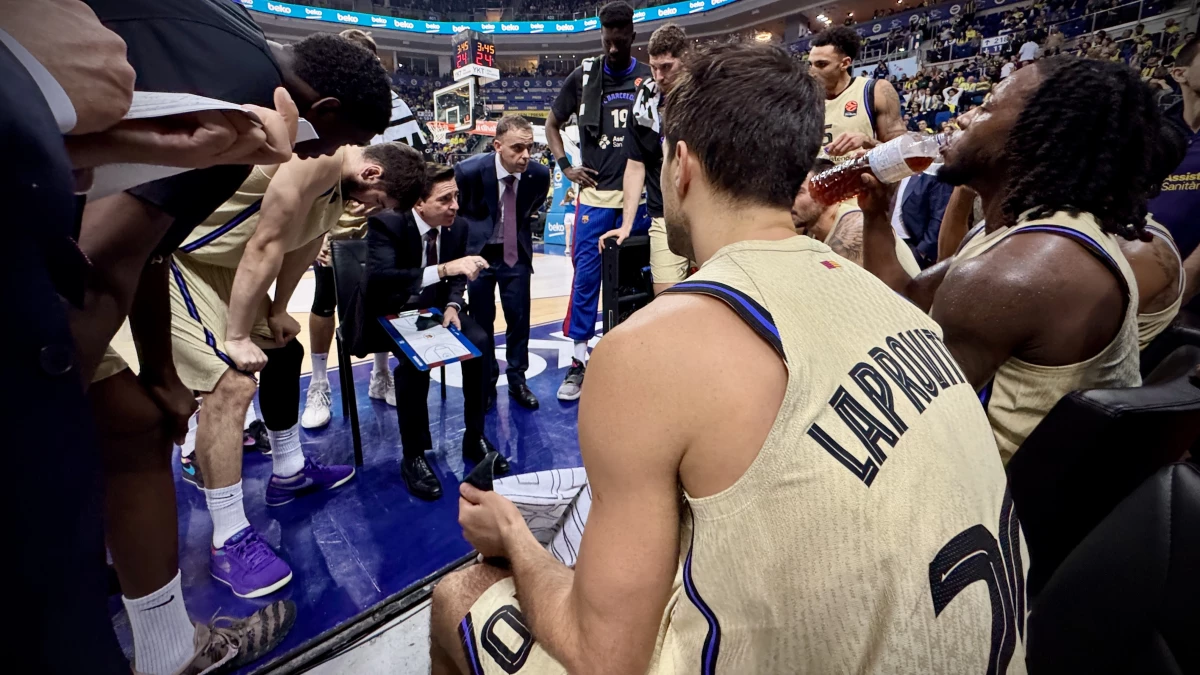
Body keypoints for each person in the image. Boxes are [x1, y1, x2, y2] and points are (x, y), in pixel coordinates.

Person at [429, 42, 1025, 675]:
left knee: (457, 595)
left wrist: (516, 541)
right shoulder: (891, 295)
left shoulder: (645, 352)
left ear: (680, 166)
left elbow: (606, 657)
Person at [857, 57, 1159, 461]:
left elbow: (903, 423)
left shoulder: (1022, 271)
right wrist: (876, 217)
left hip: (993, 501)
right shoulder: (1019, 230)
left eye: (985, 106)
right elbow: (907, 301)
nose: (963, 118)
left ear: (1037, 136)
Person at [160, 142, 425, 599]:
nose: (370, 209)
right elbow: (266, 243)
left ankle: (289, 471)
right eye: (378, 200)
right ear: (373, 173)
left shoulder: (341, 189)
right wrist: (239, 336)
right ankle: (227, 538)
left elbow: (303, 245)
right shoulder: (316, 159)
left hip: (228, 266)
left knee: (285, 349)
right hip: (181, 260)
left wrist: (279, 309)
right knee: (232, 386)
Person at [360, 165, 511, 501]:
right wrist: (443, 269)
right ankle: (414, 455)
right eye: (445, 199)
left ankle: (474, 435)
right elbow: (383, 278)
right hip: (391, 311)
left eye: (456, 196)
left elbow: (457, 279)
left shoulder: (457, 227)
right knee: (415, 365)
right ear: (419, 204)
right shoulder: (386, 223)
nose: (455, 205)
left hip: (435, 311)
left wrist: (455, 305)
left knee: (482, 341)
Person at [302, 28, 429, 428]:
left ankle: (380, 373)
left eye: (373, 63)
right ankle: (318, 383)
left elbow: (415, 165)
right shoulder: (325, 108)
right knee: (325, 300)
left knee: (385, 298)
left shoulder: (390, 109)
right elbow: (301, 184)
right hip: (331, 221)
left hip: (382, 220)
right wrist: (316, 232)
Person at [545, 1, 652, 401]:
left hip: (638, 203)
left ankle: (631, 358)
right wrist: (565, 166)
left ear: (631, 38)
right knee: (586, 279)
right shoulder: (582, 75)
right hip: (593, 198)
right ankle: (578, 362)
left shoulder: (647, 78)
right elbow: (552, 124)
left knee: (635, 282)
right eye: (606, 42)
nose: (611, 49)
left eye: (619, 43)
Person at [456, 116, 551, 410]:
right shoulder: (469, 171)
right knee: (482, 323)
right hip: (480, 255)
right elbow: (460, 213)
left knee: (519, 318)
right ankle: (486, 381)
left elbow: (533, 206)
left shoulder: (539, 174)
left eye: (530, 147)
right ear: (497, 146)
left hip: (515, 253)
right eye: (517, 148)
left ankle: (517, 381)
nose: (526, 155)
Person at [601, 22, 690, 294]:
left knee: (719, 300)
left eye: (667, 67)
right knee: (665, 300)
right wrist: (626, 224)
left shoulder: (710, 96)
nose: (659, 76)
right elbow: (635, 164)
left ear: (686, 59)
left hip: (708, 212)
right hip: (664, 216)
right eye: (653, 67)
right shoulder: (645, 100)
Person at [792, 158, 923, 275]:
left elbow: (848, 293)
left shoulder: (854, 229)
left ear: (827, 194)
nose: (787, 200)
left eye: (798, 192)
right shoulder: (812, 231)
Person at [809, 26, 906, 162]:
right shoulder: (803, 99)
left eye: (821, 64)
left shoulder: (875, 90)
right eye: (810, 64)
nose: (812, 71)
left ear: (845, 63)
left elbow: (902, 153)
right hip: (813, 181)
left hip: (860, 179)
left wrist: (867, 141)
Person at [1153, 35, 1200, 308]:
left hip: (1185, 306)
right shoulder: (1154, 133)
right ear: (1179, 73)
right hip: (1140, 287)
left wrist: (1178, 294)